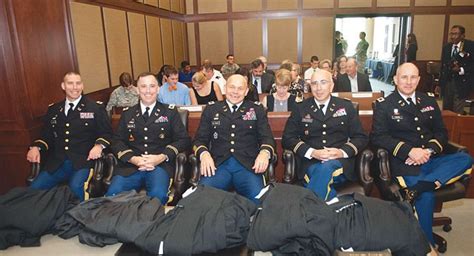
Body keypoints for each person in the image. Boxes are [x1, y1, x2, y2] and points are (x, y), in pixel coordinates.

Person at [370, 62, 472, 246]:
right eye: (404, 77)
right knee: (426, 196)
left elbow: (441, 133)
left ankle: (422, 186)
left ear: (418, 79)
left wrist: (428, 150)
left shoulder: (429, 101)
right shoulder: (384, 105)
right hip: (405, 164)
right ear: (395, 79)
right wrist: (409, 151)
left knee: (465, 158)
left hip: (430, 159)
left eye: (413, 77)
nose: (408, 82)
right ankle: (426, 245)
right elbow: (378, 137)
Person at [282, 69, 368, 200]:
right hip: (310, 163)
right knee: (322, 172)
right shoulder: (300, 108)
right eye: (314, 83)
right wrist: (312, 152)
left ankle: (311, 209)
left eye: (323, 82)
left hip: (340, 163)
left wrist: (340, 152)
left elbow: (360, 138)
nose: (318, 88)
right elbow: (288, 138)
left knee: (327, 168)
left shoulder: (346, 107)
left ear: (331, 85)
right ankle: (328, 208)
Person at [106, 72, 191, 204]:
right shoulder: (128, 114)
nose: (148, 91)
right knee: (112, 195)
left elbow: (183, 139)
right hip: (131, 166)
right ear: (137, 90)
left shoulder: (170, 112)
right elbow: (117, 141)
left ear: (158, 89)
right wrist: (133, 159)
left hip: (160, 166)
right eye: (143, 86)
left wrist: (161, 157)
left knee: (158, 197)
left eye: (152, 86)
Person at [26, 71, 113, 201]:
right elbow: (46, 135)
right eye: (70, 83)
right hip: (58, 162)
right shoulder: (54, 109)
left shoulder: (95, 108)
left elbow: (107, 133)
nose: (75, 87)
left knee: (75, 187)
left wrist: (99, 146)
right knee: (34, 189)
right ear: (63, 86)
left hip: (83, 162)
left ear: (82, 86)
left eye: (78, 83)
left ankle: (80, 218)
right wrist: (35, 147)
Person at [193, 74, 276, 204]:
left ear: (246, 91)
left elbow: (267, 138)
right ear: (225, 88)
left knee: (261, 201)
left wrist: (264, 153)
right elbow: (199, 140)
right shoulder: (211, 109)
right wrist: (204, 154)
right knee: (200, 199)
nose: (235, 92)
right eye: (232, 87)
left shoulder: (256, 110)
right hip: (218, 166)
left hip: (248, 166)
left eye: (240, 88)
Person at [439, 25, 474, 113]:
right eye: (451, 34)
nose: (452, 36)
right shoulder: (447, 47)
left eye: (456, 34)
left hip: (462, 82)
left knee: (458, 110)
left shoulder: (470, 46)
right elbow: (443, 65)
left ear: (462, 35)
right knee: (447, 109)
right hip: (448, 82)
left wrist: (461, 70)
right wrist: (440, 83)